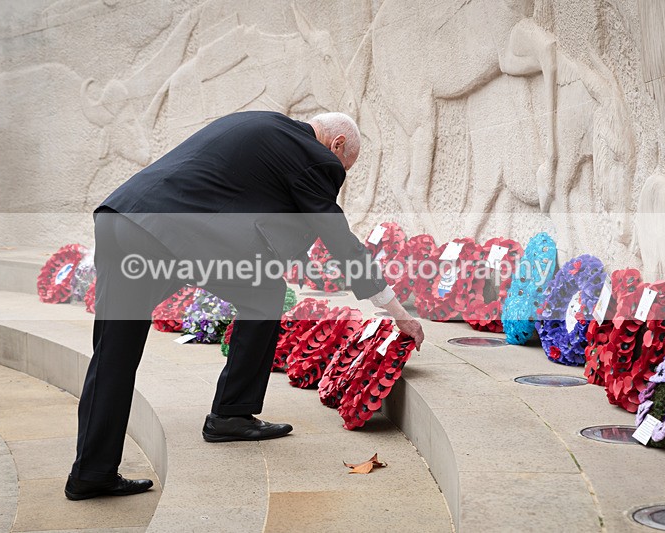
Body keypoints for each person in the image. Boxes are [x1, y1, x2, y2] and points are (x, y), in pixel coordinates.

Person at [65, 110, 425, 500]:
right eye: (344, 167)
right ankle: (231, 414)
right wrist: (397, 312)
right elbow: (337, 237)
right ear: (336, 145)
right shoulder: (315, 155)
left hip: (121, 217)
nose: (337, 176)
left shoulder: (264, 125)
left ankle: (91, 472)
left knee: (113, 353)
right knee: (265, 293)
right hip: (168, 235)